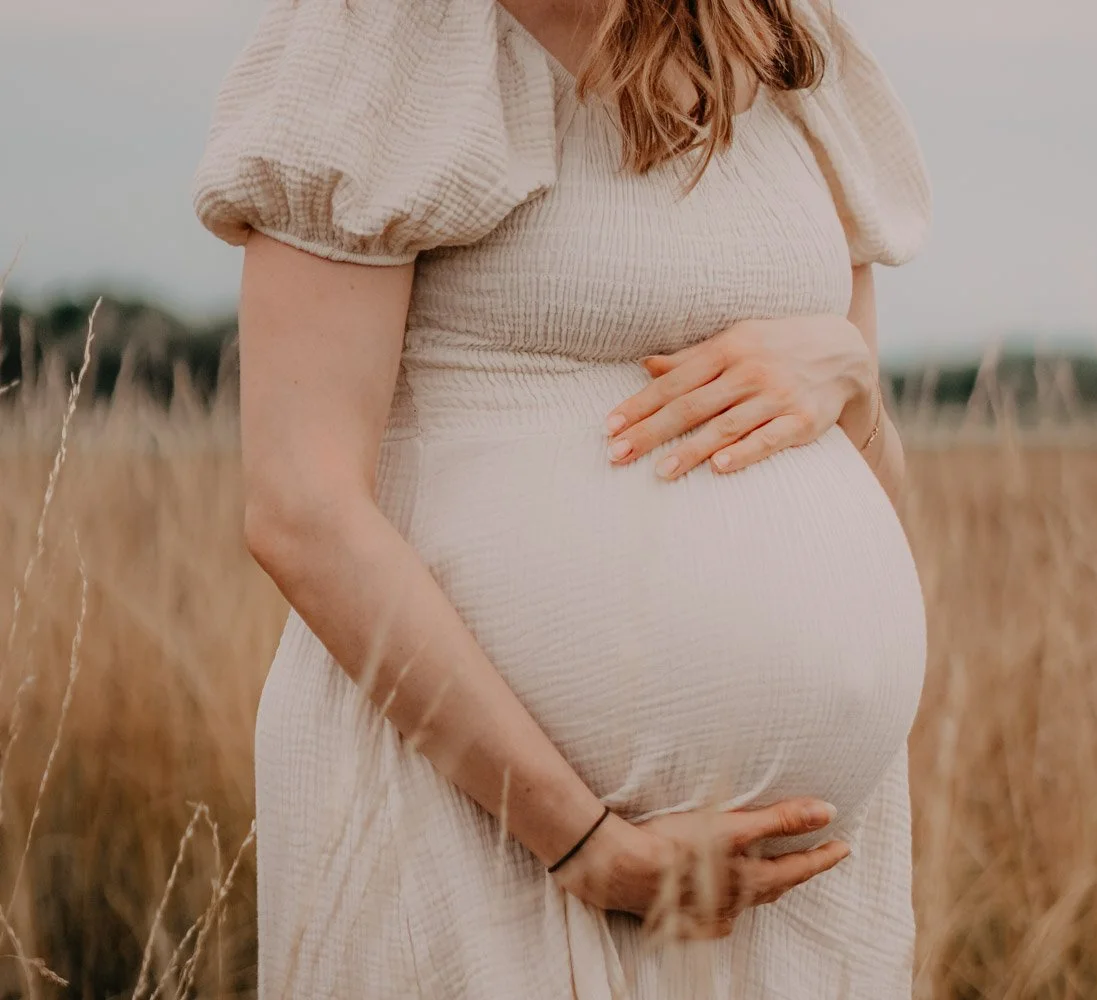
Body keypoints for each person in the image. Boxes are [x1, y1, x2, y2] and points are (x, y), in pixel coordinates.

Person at [191, 0, 933, 994]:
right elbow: (301, 510)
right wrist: (582, 842)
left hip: (789, 891)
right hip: (481, 836)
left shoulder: (783, 41)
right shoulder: (386, 40)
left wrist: (850, 375)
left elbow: (878, 503)